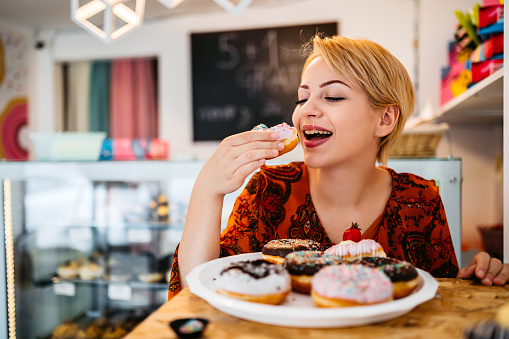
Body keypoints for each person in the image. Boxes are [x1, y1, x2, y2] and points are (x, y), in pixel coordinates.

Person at [169, 35, 508, 299]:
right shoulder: (270, 190)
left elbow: (440, 298)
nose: (305, 112)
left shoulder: (420, 199)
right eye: (303, 98)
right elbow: (199, 290)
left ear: (385, 118)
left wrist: (478, 277)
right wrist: (207, 190)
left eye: (332, 97)